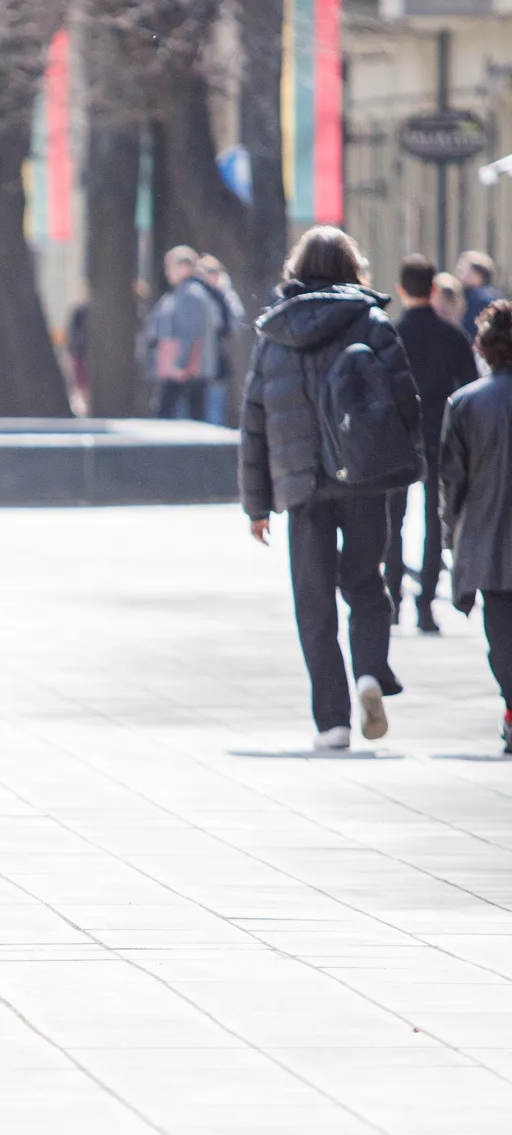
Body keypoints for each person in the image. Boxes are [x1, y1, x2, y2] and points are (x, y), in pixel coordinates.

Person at [241, 226, 421, 750]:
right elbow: (406, 401)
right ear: (353, 268)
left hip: (303, 489)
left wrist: (257, 506)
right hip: (365, 480)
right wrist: (401, 470)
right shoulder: (372, 321)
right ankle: (369, 672)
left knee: (313, 600)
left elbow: (253, 422)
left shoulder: (274, 333)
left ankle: (332, 721)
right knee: (367, 585)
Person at [384, 254, 478, 634]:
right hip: (440, 432)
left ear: (400, 290)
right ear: (435, 289)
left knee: (395, 519)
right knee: (434, 520)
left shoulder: (390, 334)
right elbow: (469, 387)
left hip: (398, 435)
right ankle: (425, 604)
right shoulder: (452, 336)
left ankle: (392, 599)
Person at [440, 299, 512, 752]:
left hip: (490, 541)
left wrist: (452, 538)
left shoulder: (466, 403)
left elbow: (453, 482)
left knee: (502, 638)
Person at [152, 246, 222, 421]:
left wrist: (179, 365)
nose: (167, 273)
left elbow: (189, 332)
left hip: (187, 368)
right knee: (194, 414)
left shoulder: (190, 294)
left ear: (183, 267)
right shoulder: (187, 292)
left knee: (171, 413)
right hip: (190, 368)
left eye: (170, 267)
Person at [197, 254, 245, 425]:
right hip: (199, 359)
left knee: (215, 404)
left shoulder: (224, 297)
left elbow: (233, 323)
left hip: (217, 357)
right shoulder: (199, 295)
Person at [459, 251, 502, 336]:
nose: (458, 270)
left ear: (477, 274)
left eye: (463, 268)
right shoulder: (495, 296)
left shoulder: (479, 299)